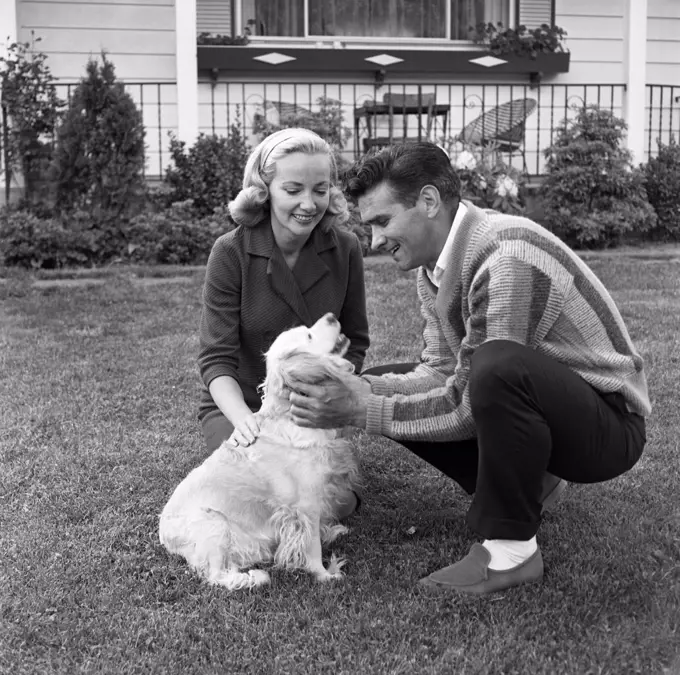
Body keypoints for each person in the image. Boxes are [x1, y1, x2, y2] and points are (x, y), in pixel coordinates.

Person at [286, 141, 650, 595]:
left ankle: (511, 552)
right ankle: (536, 481)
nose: (376, 241)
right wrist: (361, 391)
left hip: (608, 428)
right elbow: (441, 371)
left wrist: (362, 408)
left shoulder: (508, 255)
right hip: (554, 411)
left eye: (382, 221)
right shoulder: (435, 268)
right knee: (385, 380)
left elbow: (473, 400)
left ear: (428, 201)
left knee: (494, 367)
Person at [197, 128, 370, 519]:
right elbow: (216, 360)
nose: (309, 204)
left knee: (337, 507)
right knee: (260, 495)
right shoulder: (230, 252)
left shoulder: (346, 249)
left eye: (320, 189)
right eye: (293, 189)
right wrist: (245, 422)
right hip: (242, 408)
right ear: (264, 189)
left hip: (312, 408)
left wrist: (328, 399)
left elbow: (354, 341)